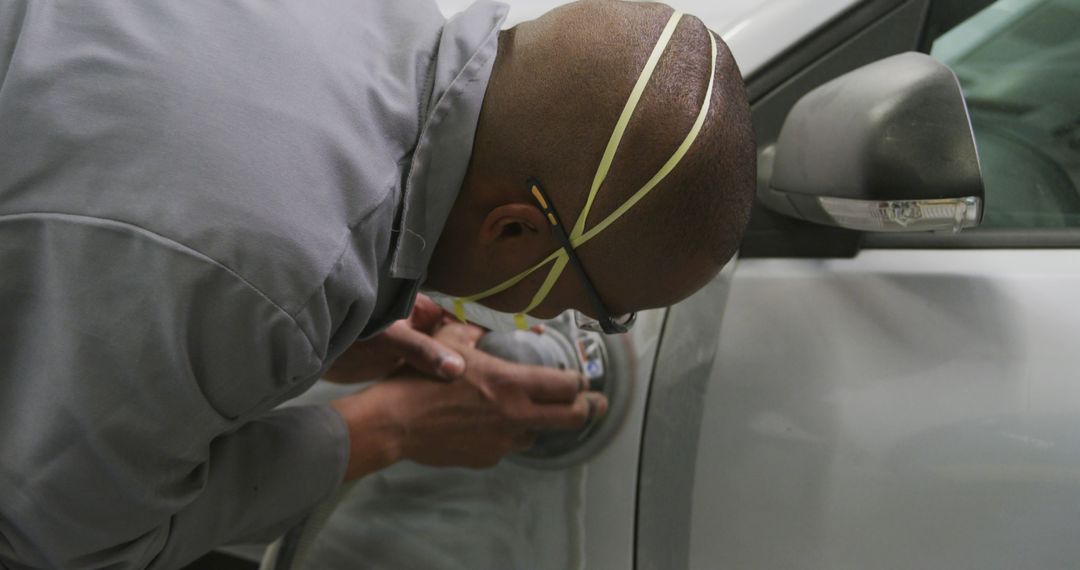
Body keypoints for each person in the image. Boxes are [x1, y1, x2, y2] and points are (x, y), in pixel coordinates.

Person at [0, 0, 754, 567]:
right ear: (517, 229)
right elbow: (61, 538)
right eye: (598, 308)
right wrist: (386, 429)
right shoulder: (273, 271)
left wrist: (342, 330)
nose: (566, 323)